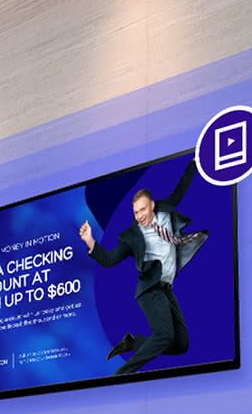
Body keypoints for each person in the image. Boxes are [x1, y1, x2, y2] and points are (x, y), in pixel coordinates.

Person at [78, 161, 209, 376]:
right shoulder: (132, 236)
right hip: (149, 290)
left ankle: (134, 342)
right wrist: (91, 242)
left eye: (142, 210)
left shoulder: (166, 211)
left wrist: (195, 164)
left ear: (153, 206)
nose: (139, 216)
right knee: (164, 335)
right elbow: (109, 260)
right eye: (136, 212)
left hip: (167, 289)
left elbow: (182, 188)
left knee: (181, 344)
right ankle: (121, 374)